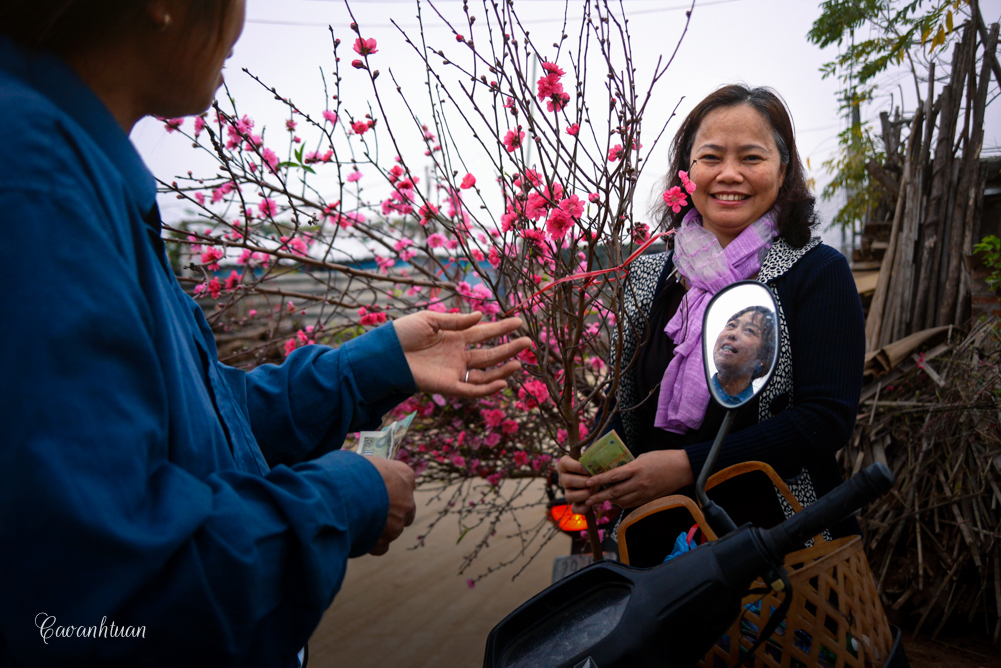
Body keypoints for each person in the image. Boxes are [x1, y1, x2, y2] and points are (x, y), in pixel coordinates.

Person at [0, 2, 529, 666]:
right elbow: (103, 600)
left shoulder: (70, 171)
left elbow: (193, 423)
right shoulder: (37, 184)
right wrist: (348, 494)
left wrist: (377, 363)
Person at [558, 85, 865, 538]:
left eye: (752, 158)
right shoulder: (650, 275)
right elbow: (631, 403)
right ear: (687, 173)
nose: (730, 174)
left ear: (783, 173)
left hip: (776, 545)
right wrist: (590, 466)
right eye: (711, 157)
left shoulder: (817, 272)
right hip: (658, 540)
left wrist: (688, 466)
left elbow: (824, 421)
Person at [710, 306, 776, 405]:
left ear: (764, 358)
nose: (732, 334)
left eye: (749, 330)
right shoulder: (688, 390)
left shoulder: (758, 412)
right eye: (731, 325)